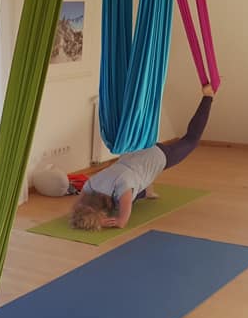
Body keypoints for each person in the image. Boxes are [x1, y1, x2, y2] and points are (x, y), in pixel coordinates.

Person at [70, 84, 215, 230]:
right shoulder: (91, 184)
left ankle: (208, 96)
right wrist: (87, 215)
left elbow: (123, 218)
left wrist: (119, 221)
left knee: (191, 139)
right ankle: (147, 191)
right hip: (134, 153)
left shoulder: (122, 187)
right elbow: (77, 206)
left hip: (156, 156)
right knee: (129, 192)